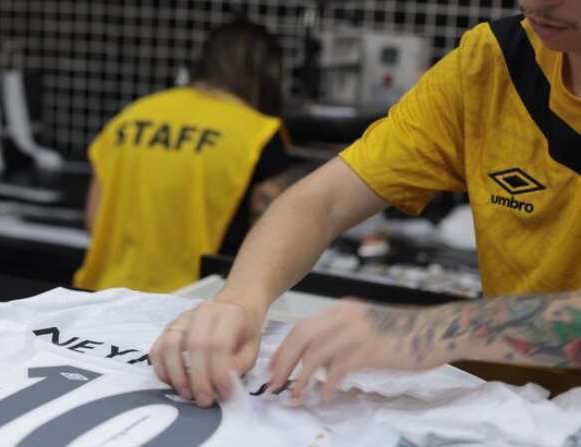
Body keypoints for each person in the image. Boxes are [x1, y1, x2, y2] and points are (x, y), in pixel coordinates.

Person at [150, 1, 581, 408]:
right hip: (505, 410)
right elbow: (324, 200)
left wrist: (423, 332)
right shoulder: (493, 62)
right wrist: (240, 302)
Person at [73, 19, 292, 293]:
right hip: (194, 305)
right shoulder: (258, 132)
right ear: (265, 74)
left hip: (106, 298)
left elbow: (95, 219)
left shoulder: (132, 116)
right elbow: (269, 240)